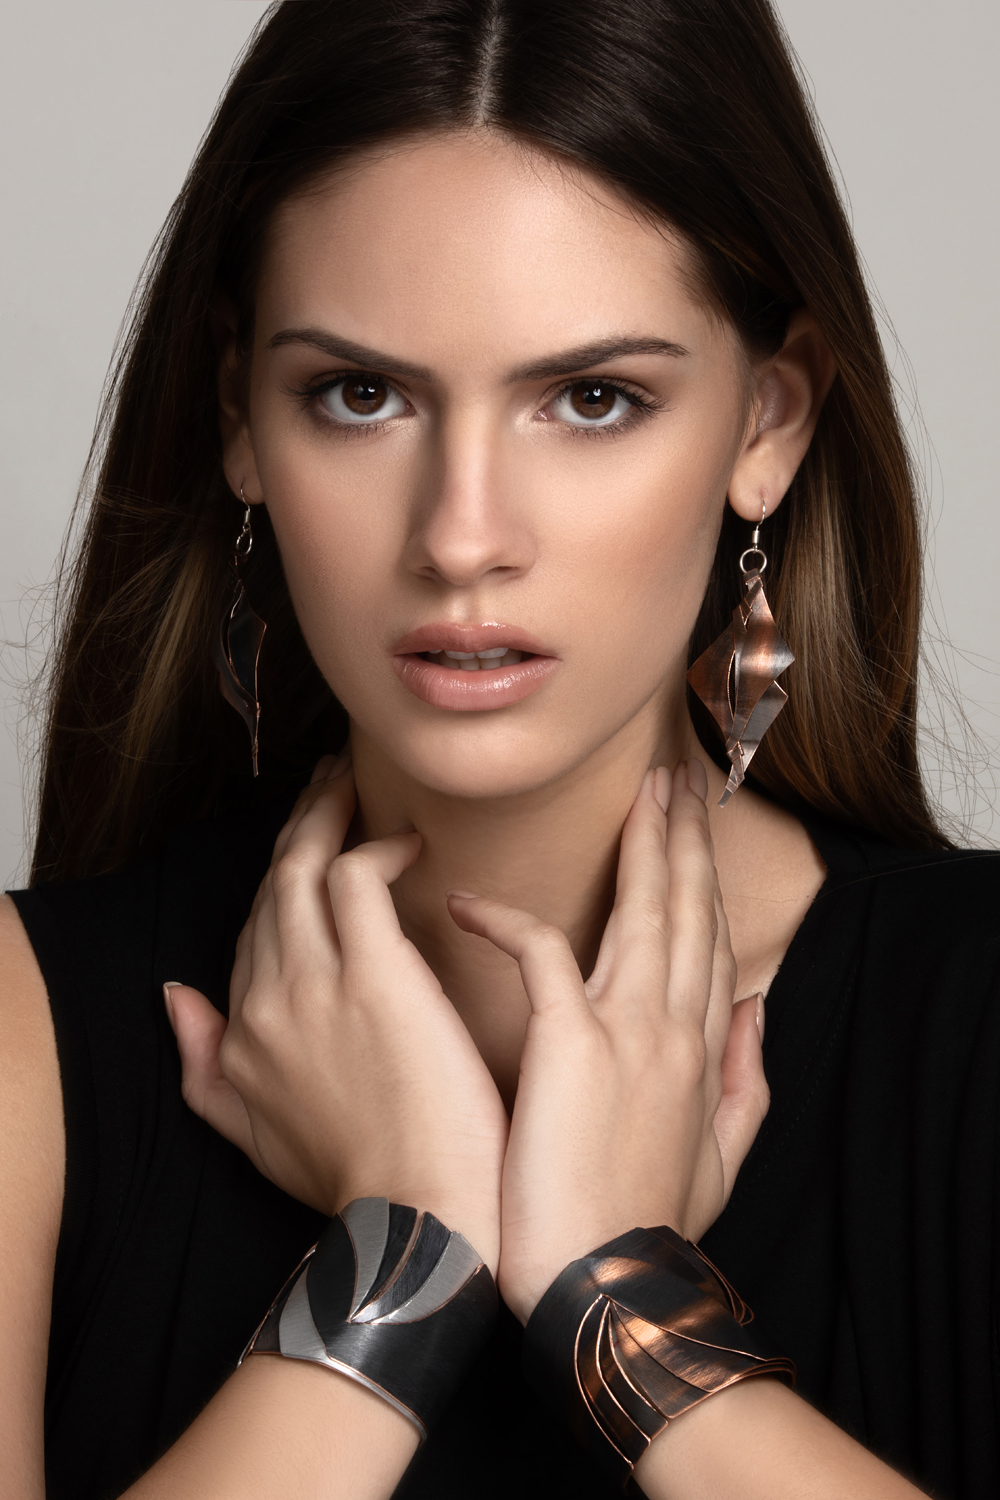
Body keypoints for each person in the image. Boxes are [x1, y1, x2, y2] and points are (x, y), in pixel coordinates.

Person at [2, 1, 997, 1496]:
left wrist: (621, 1301)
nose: (462, 537)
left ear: (768, 423)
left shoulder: (975, 1020)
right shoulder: (23, 1041)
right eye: (360, 395)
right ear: (239, 417)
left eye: (593, 400)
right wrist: (406, 1263)